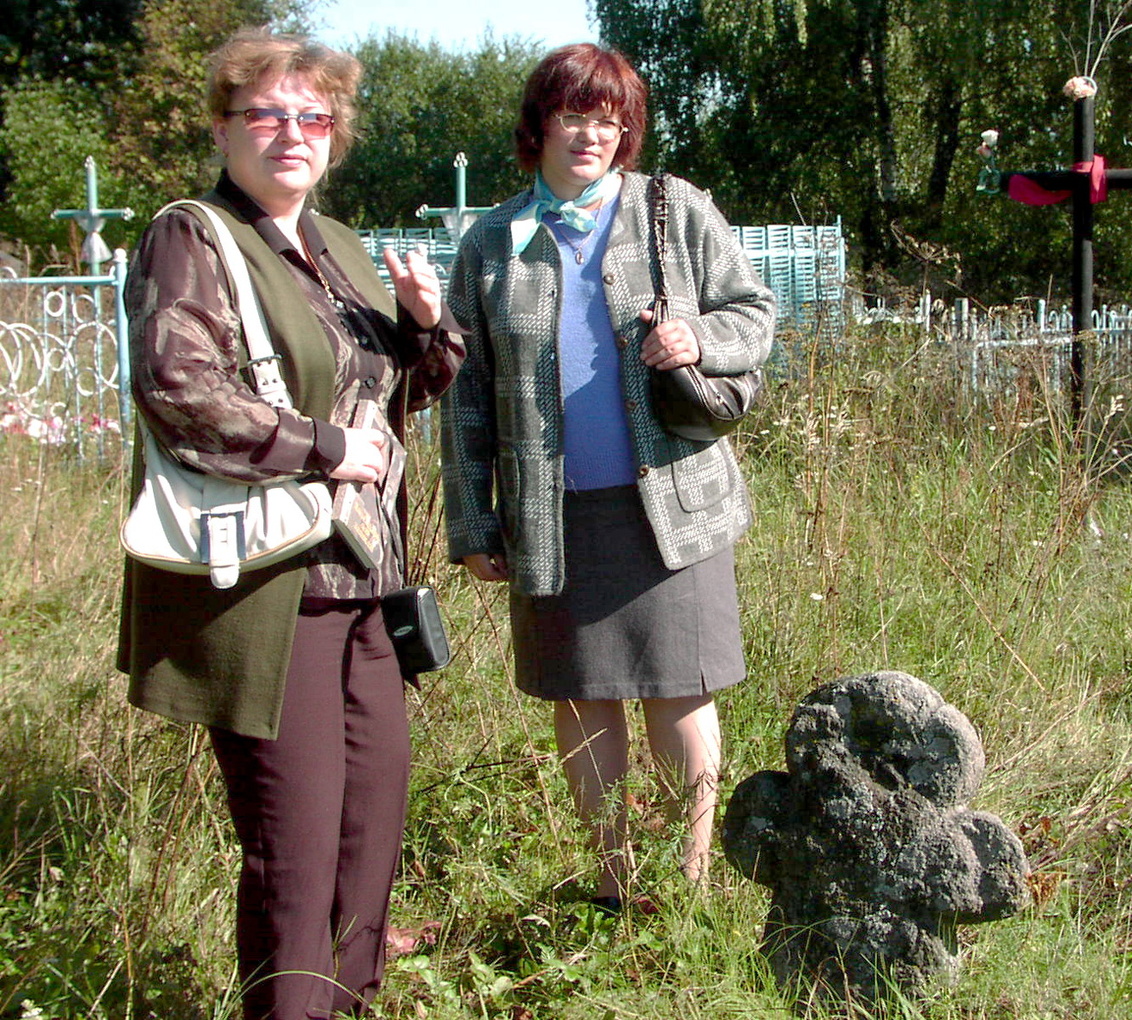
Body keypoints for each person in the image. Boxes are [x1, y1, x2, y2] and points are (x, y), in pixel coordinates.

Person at [116, 28, 463, 1020]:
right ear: (223, 127)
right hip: (276, 588)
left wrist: (426, 325)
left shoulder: (341, 248)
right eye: (265, 114)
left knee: (370, 839)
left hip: (367, 586)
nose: (291, 134)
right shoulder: (192, 237)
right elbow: (179, 391)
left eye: (313, 117)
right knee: (296, 853)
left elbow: (400, 398)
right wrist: (319, 446)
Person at [441, 43, 776, 910]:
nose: (592, 132)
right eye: (573, 113)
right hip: (552, 516)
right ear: (539, 124)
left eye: (609, 116)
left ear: (624, 130)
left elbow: (753, 311)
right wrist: (475, 526)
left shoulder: (675, 211)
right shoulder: (490, 243)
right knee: (584, 696)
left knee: (680, 689)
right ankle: (616, 885)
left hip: (676, 504)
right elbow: (466, 395)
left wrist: (700, 339)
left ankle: (688, 887)